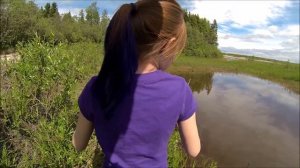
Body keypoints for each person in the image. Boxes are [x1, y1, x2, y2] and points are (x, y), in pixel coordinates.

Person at [72, 0, 201, 167]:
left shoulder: (96, 86)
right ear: (167, 44)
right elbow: (193, 149)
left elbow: (78, 144)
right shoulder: (179, 89)